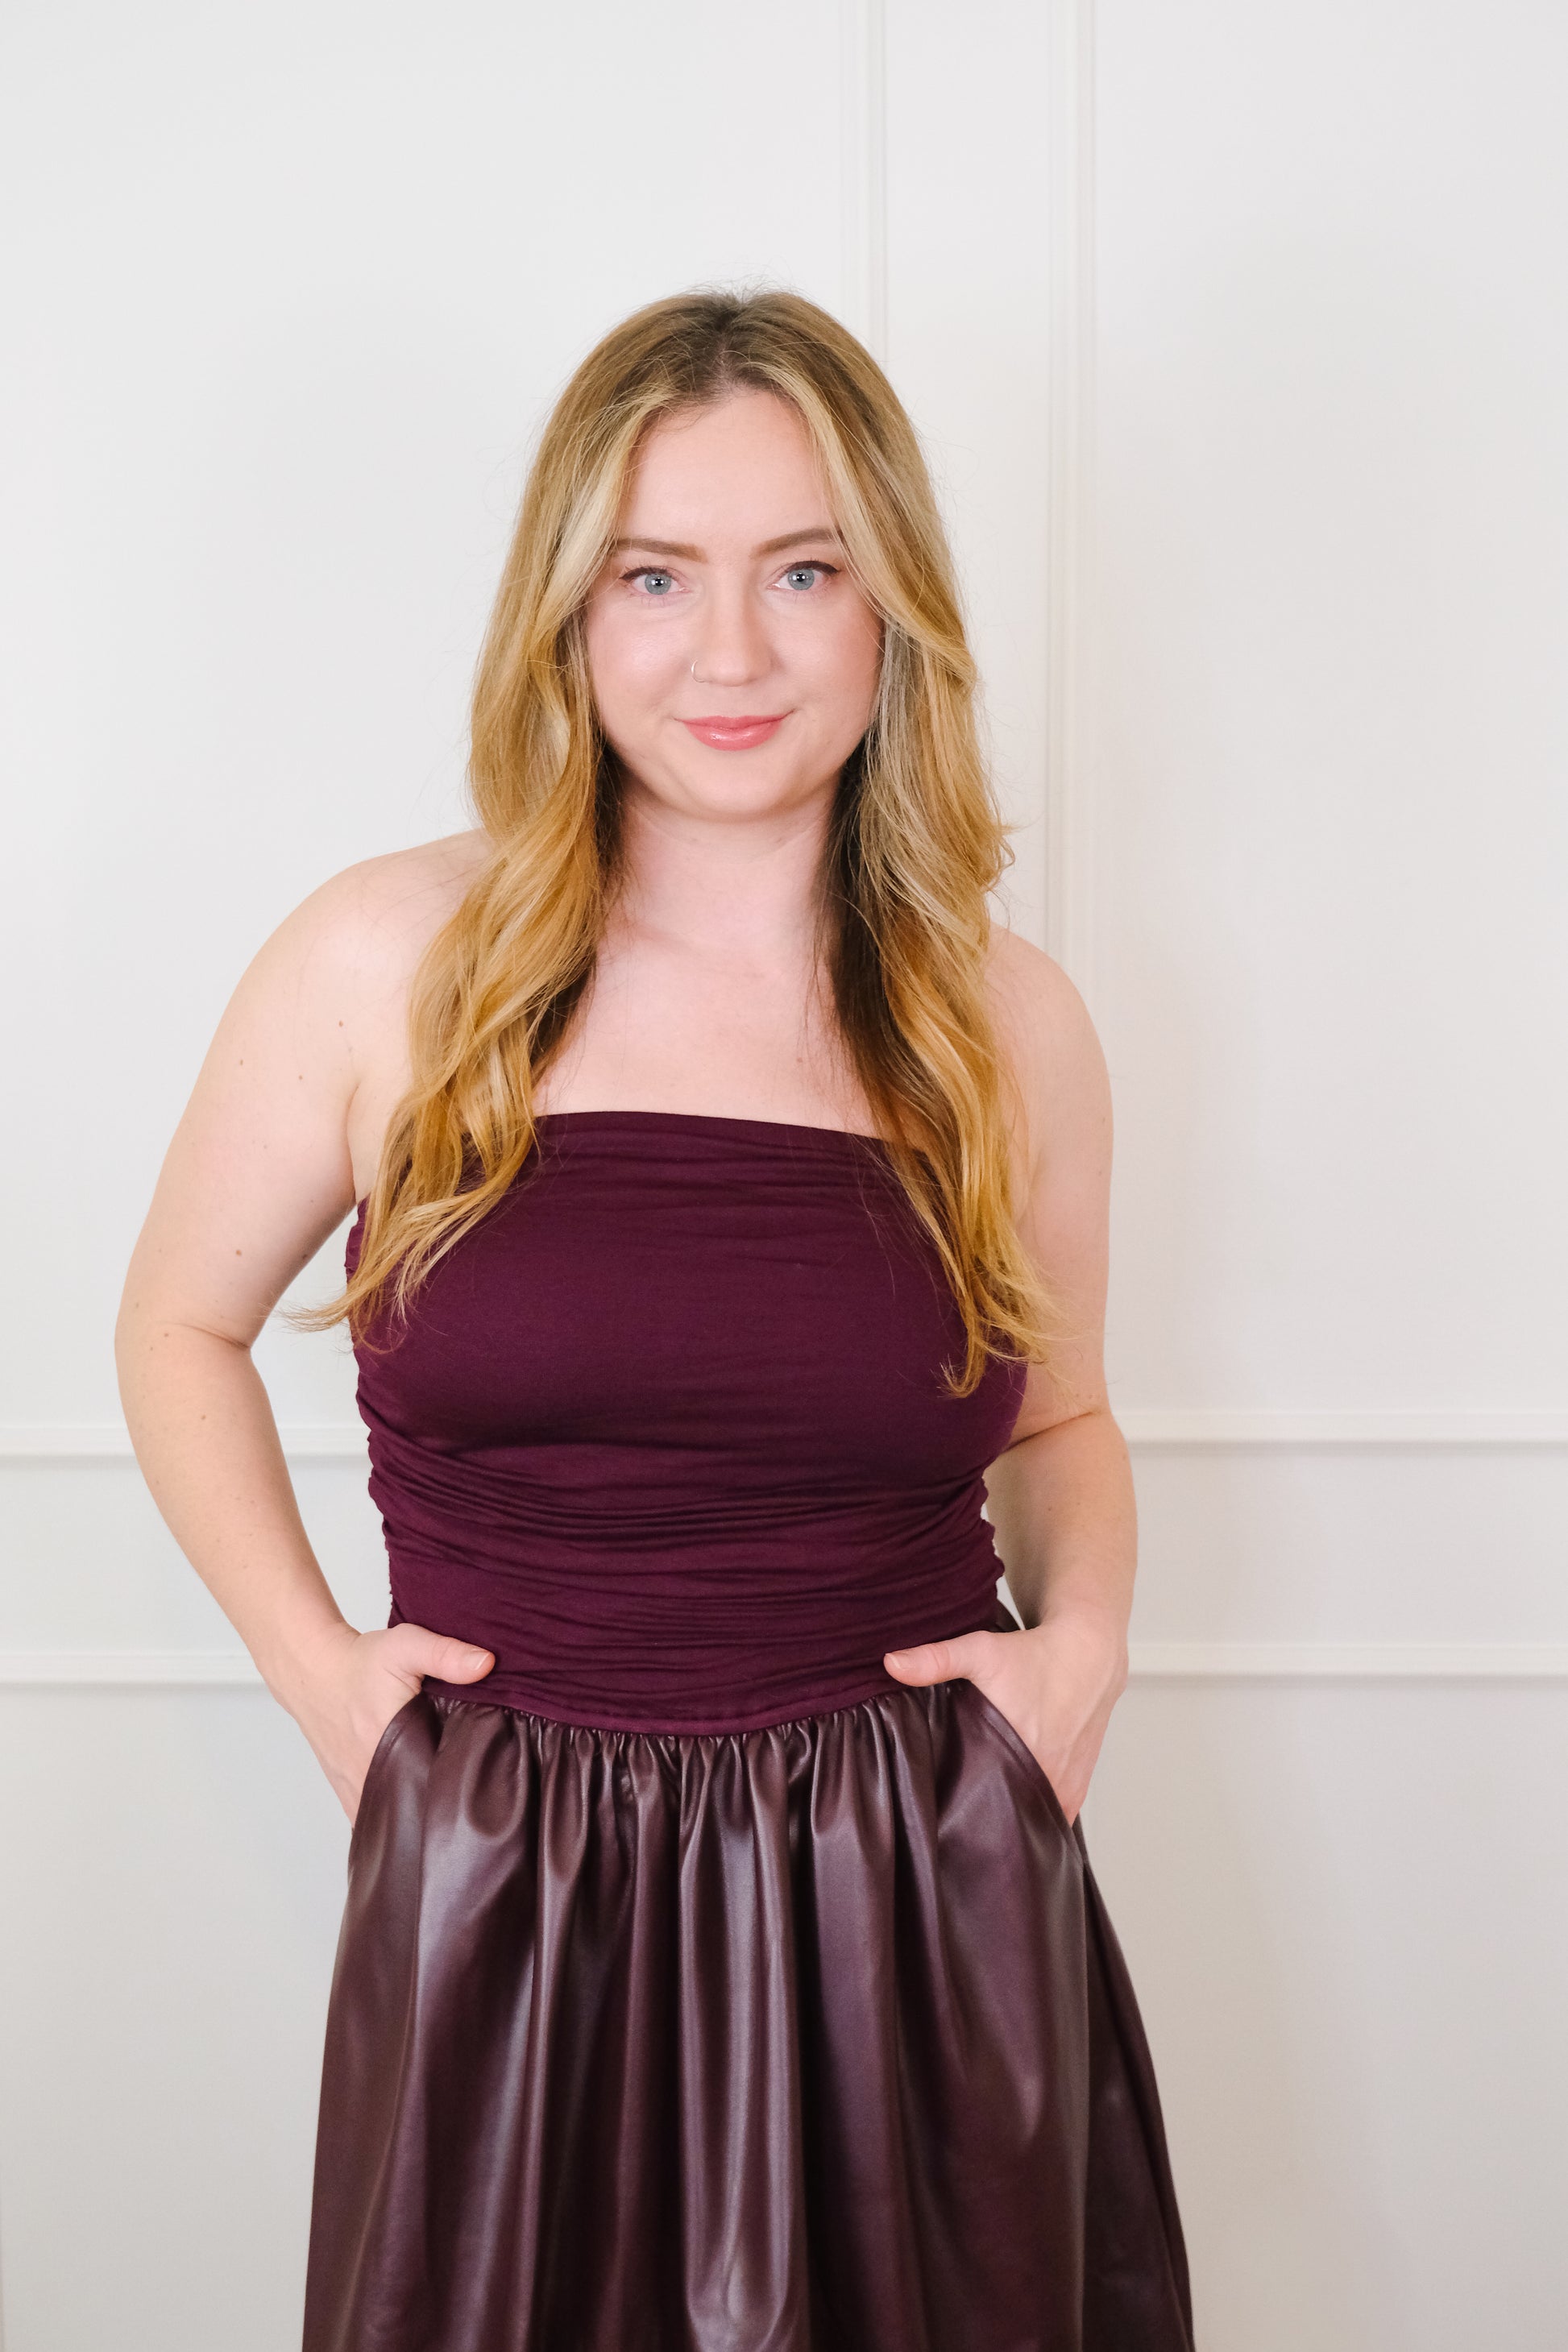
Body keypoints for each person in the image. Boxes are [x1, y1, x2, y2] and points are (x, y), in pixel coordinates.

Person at [116, 287, 1194, 2352]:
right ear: (567, 610)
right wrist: (321, 1678)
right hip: (508, 1886)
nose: (731, 653)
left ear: (893, 606)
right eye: (654, 576)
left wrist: (1084, 1651)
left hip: (914, 1887)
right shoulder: (384, 960)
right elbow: (174, 1324)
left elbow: (1059, 1416)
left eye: (803, 570)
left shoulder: (1004, 1020)